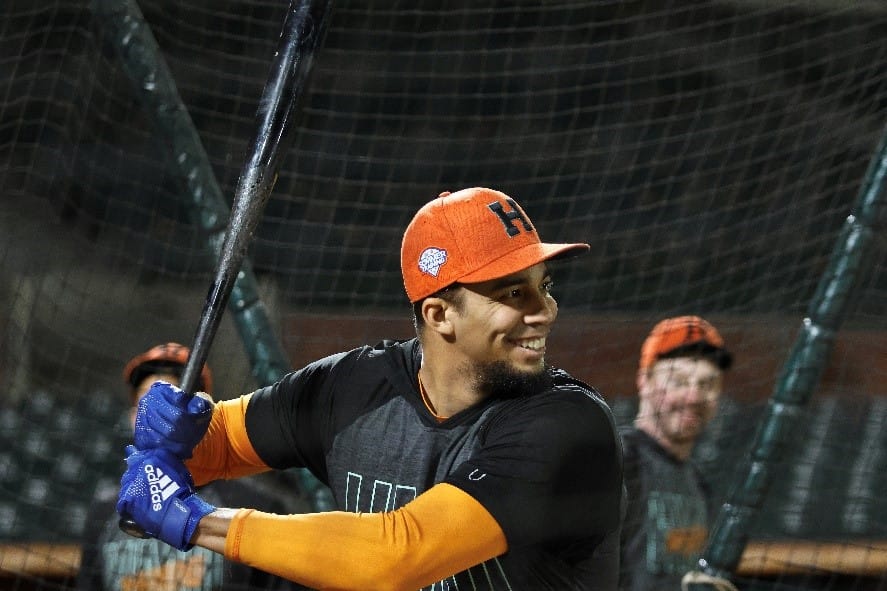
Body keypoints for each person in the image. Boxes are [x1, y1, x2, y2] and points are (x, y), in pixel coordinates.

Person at [115, 187, 625, 590]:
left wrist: (193, 521)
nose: (546, 310)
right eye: (515, 292)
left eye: (545, 286)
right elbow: (215, 443)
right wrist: (178, 436)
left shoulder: (570, 426)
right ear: (439, 314)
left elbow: (395, 558)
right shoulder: (351, 386)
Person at [78, 342, 302, 591]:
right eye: (147, 406)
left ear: (202, 413)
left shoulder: (255, 506)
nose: (159, 418)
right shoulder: (105, 512)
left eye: (170, 406)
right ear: (133, 417)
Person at [618, 316, 733, 591]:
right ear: (644, 381)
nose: (693, 397)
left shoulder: (698, 481)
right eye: (678, 381)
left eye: (707, 384)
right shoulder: (616, 457)